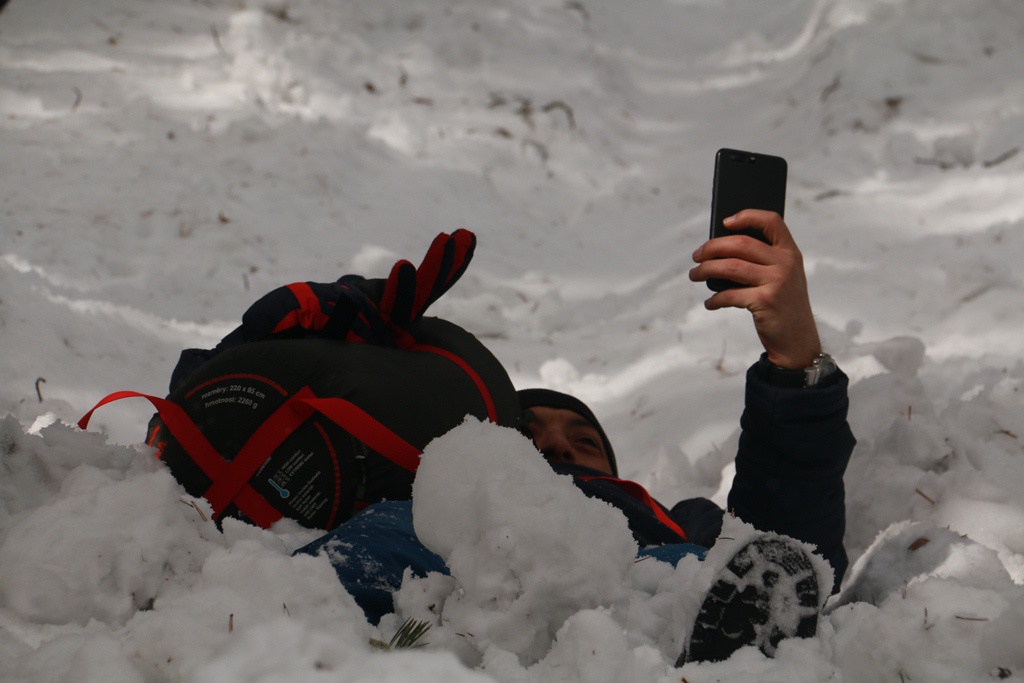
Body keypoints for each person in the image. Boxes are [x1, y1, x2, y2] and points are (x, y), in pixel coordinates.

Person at [295, 209, 856, 663]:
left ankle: (704, 660)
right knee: (382, 537)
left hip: (632, 597)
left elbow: (790, 549)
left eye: (583, 442)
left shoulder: (671, 519)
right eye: (529, 434)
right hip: (438, 567)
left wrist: (795, 357)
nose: (560, 447)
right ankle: (294, 635)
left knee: (690, 568)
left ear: (614, 476)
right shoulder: (422, 507)